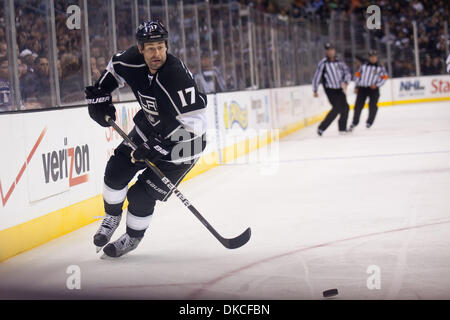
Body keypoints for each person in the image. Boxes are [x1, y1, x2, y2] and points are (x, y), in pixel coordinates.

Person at [85, 20, 207, 258]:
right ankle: (111, 217)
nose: (157, 53)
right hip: (150, 129)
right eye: (151, 48)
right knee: (116, 171)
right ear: (140, 48)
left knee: (140, 195)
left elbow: (196, 127)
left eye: (161, 47)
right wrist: (100, 96)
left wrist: (158, 147)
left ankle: (132, 237)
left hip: (185, 144)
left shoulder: (176, 76)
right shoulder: (131, 59)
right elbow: (114, 69)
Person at [312, 42, 351, 136]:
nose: (330, 52)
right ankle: (321, 128)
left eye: (332, 50)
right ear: (326, 51)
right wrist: (315, 89)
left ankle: (342, 128)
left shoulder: (339, 62)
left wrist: (346, 82)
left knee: (346, 107)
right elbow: (317, 76)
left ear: (334, 51)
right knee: (337, 108)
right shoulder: (323, 63)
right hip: (330, 90)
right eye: (328, 50)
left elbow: (347, 72)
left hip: (339, 89)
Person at [349, 50, 388, 131]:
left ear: (377, 57)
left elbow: (385, 77)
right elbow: (357, 75)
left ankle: (369, 121)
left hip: (373, 89)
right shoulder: (363, 65)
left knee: (373, 105)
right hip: (362, 88)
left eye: (374, 57)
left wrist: (377, 84)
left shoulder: (380, 67)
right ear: (369, 57)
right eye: (371, 57)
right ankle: (354, 122)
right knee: (358, 106)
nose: (373, 58)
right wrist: (356, 86)